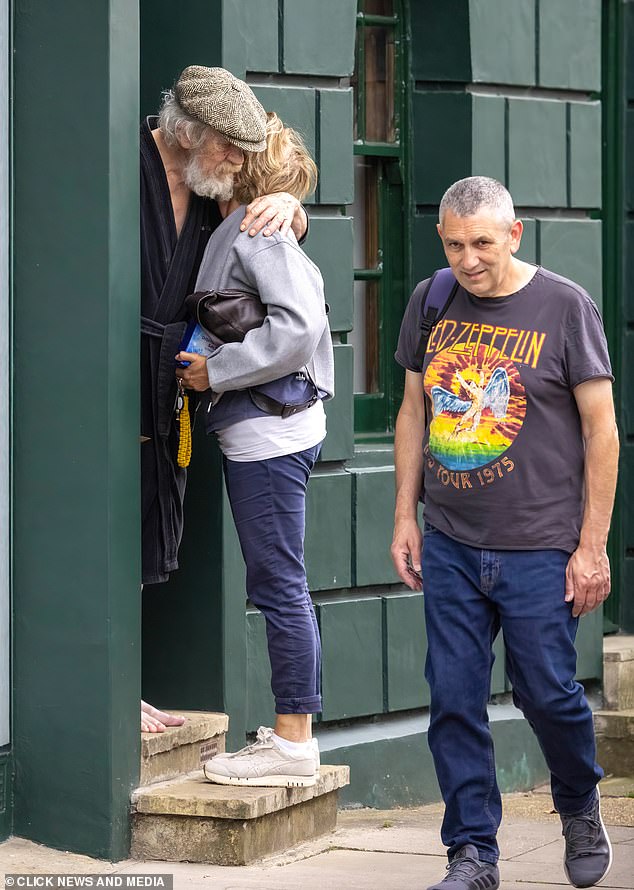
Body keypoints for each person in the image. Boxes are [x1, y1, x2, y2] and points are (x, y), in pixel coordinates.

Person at [391, 176, 618, 890]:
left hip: (540, 542)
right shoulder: (432, 300)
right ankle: (472, 854)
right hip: (452, 537)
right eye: (455, 244)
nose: (469, 259)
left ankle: (579, 804)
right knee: (453, 696)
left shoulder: (564, 306)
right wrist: (405, 514)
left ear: (514, 235)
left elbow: (602, 430)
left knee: (548, 693)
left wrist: (591, 546)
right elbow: (410, 412)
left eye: (482, 243)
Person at [140, 66, 309, 733]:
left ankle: (126, 683)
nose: (239, 163)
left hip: (168, 390)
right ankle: (105, 689)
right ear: (188, 131)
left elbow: (270, 247)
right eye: (229, 147)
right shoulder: (122, 166)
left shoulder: (215, 193)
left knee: (146, 532)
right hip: (106, 382)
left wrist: (292, 210)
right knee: (102, 534)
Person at [175, 112, 334, 787]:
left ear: (239, 168)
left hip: (268, 433)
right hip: (265, 431)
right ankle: (292, 734)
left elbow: (298, 331)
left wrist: (218, 371)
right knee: (278, 581)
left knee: (278, 583)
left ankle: (294, 744)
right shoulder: (248, 225)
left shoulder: (256, 233)